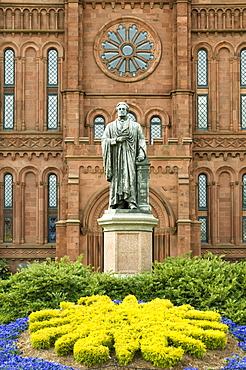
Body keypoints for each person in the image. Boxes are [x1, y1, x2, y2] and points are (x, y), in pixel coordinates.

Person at [102, 102, 146, 209]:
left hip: (130, 157)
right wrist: (116, 140)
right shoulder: (110, 127)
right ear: (117, 111)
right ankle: (119, 201)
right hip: (116, 158)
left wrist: (141, 153)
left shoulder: (135, 126)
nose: (121, 110)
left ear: (127, 111)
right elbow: (104, 140)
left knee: (130, 176)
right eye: (120, 109)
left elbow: (141, 140)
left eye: (123, 109)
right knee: (117, 178)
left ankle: (131, 201)